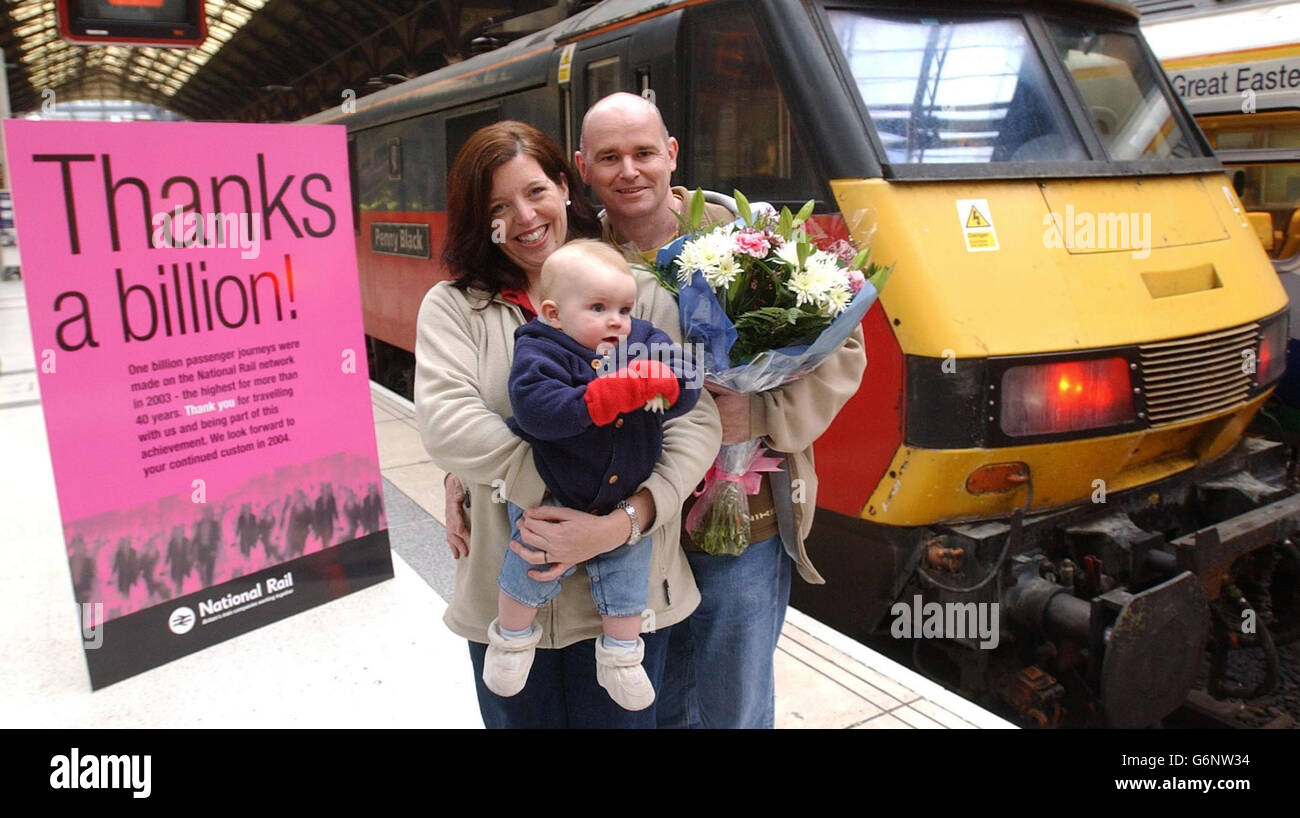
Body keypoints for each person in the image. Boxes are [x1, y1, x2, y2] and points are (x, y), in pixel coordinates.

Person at [575, 92, 868, 728]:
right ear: (583, 168)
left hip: (743, 515)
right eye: (609, 157)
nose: (630, 171)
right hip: (636, 524)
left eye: (644, 152)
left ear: (671, 155)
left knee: (733, 701)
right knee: (657, 701)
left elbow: (844, 341)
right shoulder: (576, 261)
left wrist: (758, 416)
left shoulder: (747, 229)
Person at [415, 121, 720, 728]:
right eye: (497, 207)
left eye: (535, 192)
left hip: (628, 601)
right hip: (510, 597)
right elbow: (448, 423)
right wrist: (554, 484)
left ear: (563, 186)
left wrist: (621, 519)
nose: (524, 218)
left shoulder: (633, 291)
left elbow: (695, 421)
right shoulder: (454, 307)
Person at [486, 239, 699, 710]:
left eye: (624, 308)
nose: (616, 321)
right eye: (599, 308)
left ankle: (621, 656)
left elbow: (690, 385)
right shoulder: (540, 347)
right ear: (554, 312)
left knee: (627, 574)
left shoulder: (643, 339)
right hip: (555, 489)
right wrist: (605, 396)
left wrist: (669, 383)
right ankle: (511, 638)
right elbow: (538, 411)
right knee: (529, 564)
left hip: (623, 494)